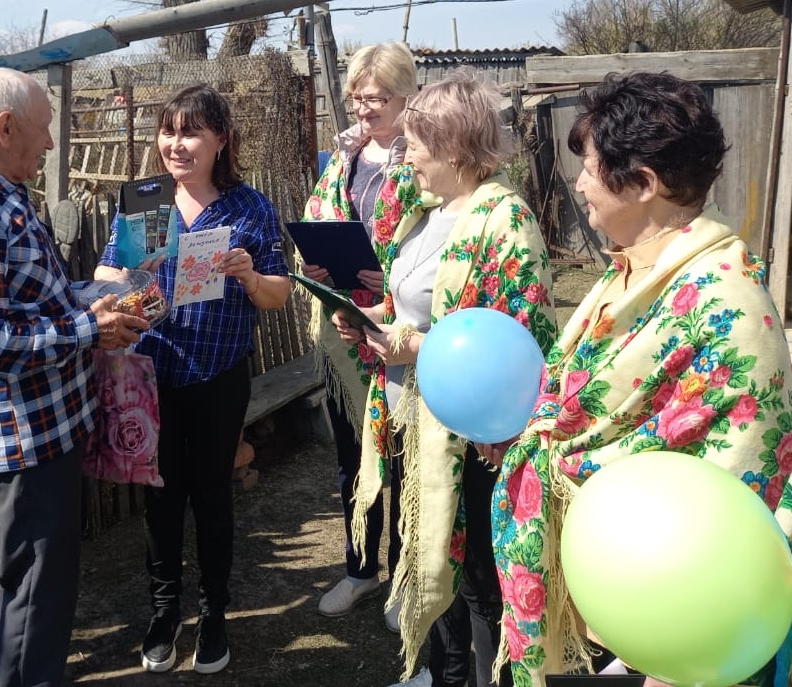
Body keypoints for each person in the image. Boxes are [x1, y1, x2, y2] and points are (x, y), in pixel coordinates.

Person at [485, 71, 792, 687]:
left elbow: (736, 489)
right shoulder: (633, 273)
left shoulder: (729, 308)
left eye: (590, 170)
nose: (579, 185)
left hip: (669, 615)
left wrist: (677, 657)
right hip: (605, 582)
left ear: (645, 184)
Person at [0, 67, 149, 687]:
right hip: (26, 434)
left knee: (35, 576)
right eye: (43, 128)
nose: (49, 142)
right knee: (36, 580)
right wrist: (87, 330)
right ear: (5, 126)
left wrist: (94, 298)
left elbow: (30, 299)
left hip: (45, 424)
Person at [333, 70, 558, 687]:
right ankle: (443, 672)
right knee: (429, 548)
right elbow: (410, 306)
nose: (405, 157)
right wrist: (373, 326)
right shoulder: (425, 212)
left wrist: (408, 346)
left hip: (472, 435)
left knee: (478, 574)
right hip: (414, 412)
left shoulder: (504, 220)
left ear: (453, 146)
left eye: (414, 144)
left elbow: (516, 345)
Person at [94, 83, 290, 675]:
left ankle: (214, 614)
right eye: (168, 131)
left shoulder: (249, 208)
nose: (176, 145)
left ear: (220, 140)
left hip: (218, 374)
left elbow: (278, 295)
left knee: (211, 495)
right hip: (152, 373)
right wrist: (125, 280)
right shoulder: (145, 202)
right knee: (160, 497)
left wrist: (249, 276)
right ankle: (163, 614)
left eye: (191, 133)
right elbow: (107, 271)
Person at [300, 41, 419, 632]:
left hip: (397, 334)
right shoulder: (344, 156)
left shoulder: (421, 157)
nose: (363, 109)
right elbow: (318, 216)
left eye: (376, 98)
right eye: (357, 97)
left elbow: (433, 243)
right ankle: (359, 568)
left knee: (401, 463)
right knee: (352, 458)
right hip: (345, 329)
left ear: (406, 96)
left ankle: (404, 578)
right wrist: (317, 264)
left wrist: (392, 271)